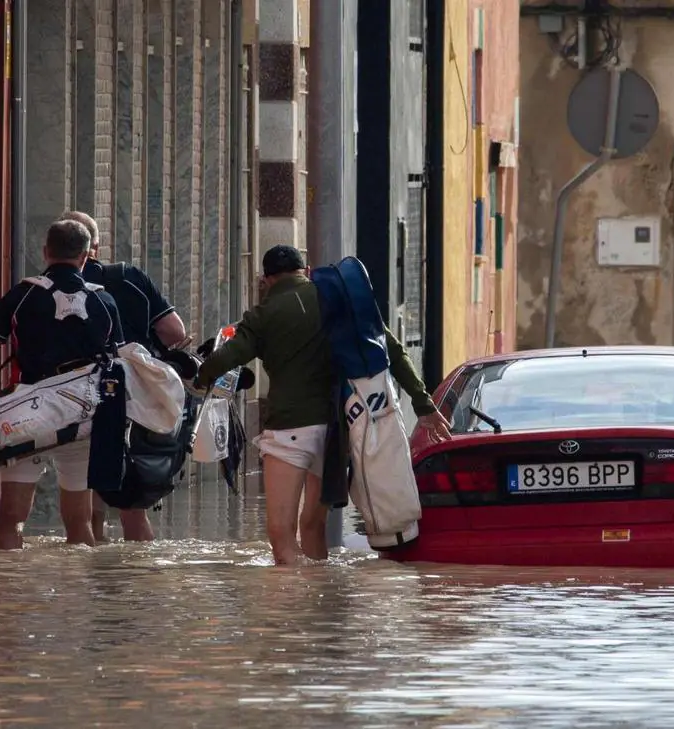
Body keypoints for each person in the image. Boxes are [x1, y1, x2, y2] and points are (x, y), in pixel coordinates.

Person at [193, 245, 452, 566]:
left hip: (289, 432)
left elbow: (226, 358)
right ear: (307, 269)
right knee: (312, 526)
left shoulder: (262, 316)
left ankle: (294, 611)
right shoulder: (340, 300)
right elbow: (393, 351)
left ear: (266, 280)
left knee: (281, 534)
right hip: (337, 433)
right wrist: (423, 404)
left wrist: (200, 379)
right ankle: (320, 600)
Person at [0, 219, 126, 550]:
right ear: (86, 256)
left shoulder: (23, 295)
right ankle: (80, 598)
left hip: (27, 417)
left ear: (45, 252)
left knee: (11, 519)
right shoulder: (104, 302)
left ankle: (9, 594)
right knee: (80, 524)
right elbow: (119, 366)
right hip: (81, 417)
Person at [61, 210, 190, 543]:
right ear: (96, 247)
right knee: (132, 506)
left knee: (87, 493)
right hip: (130, 399)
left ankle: (95, 573)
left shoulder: (53, 286)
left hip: (72, 398)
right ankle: (135, 583)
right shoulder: (127, 277)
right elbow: (175, 331)